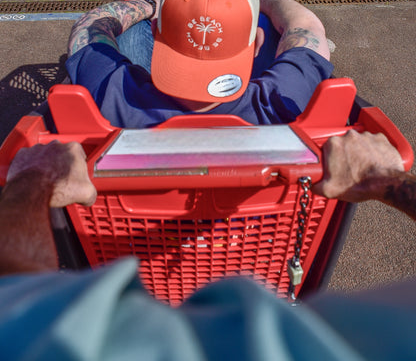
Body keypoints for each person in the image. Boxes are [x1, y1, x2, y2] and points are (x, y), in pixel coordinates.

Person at [0, 132, 414, 361]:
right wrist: (390, 179)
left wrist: (31, 180)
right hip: (260, 243)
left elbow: (12, 282)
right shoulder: (288, 82)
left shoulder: (112, 86)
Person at [66, 0, 333, 128]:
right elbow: (306, 28)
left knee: (130, 30)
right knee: (269, 22)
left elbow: (90, 27)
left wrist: (155, 5)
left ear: (156, 30)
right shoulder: (280, 101)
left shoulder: (114, 93)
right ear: (256, 45)